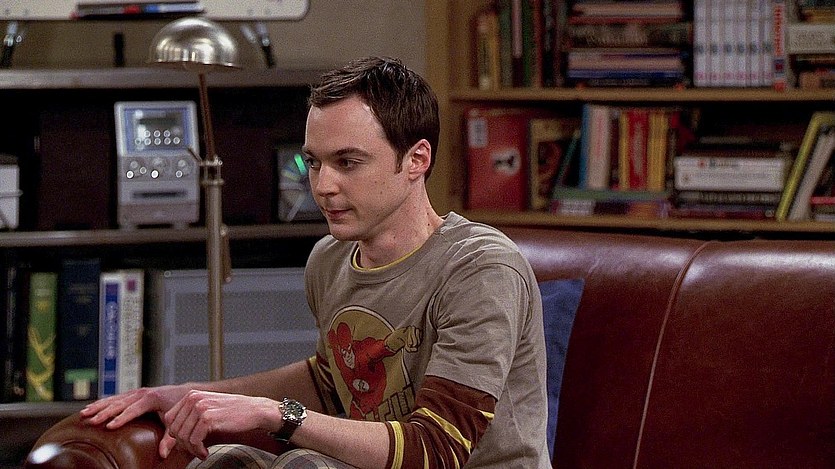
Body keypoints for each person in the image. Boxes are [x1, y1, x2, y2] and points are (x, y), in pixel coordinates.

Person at [80, 56, 550, 468]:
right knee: (226, 461)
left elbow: (436, 450)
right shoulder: (330, 259)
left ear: (416, 159)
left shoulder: (482, 270)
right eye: (314, 163)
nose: (323, 187)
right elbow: (330, 382)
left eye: (348, 163)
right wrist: (192, 395)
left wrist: (277, 415)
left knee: (302, 463)